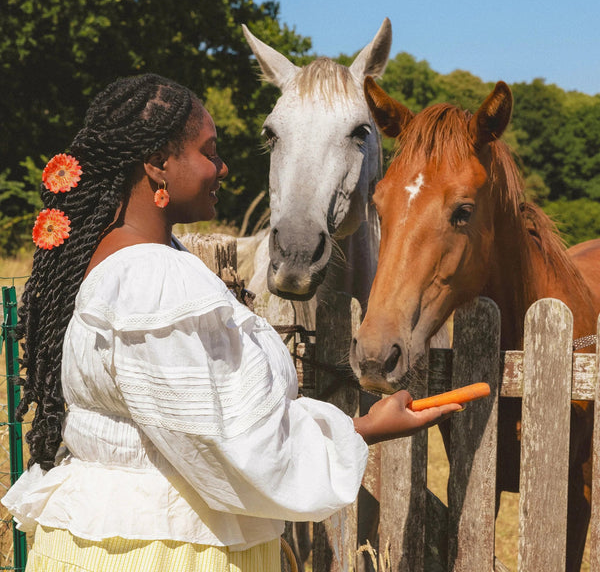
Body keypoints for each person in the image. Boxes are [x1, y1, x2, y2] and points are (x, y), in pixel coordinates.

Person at [2, 73, 461, 572]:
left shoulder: (120, 260)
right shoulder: (154, 280)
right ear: (157, 165)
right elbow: (238, 448)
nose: (223, 168)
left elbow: (203, 422)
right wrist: (363, 432)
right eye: (208, 151)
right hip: (164, 553)